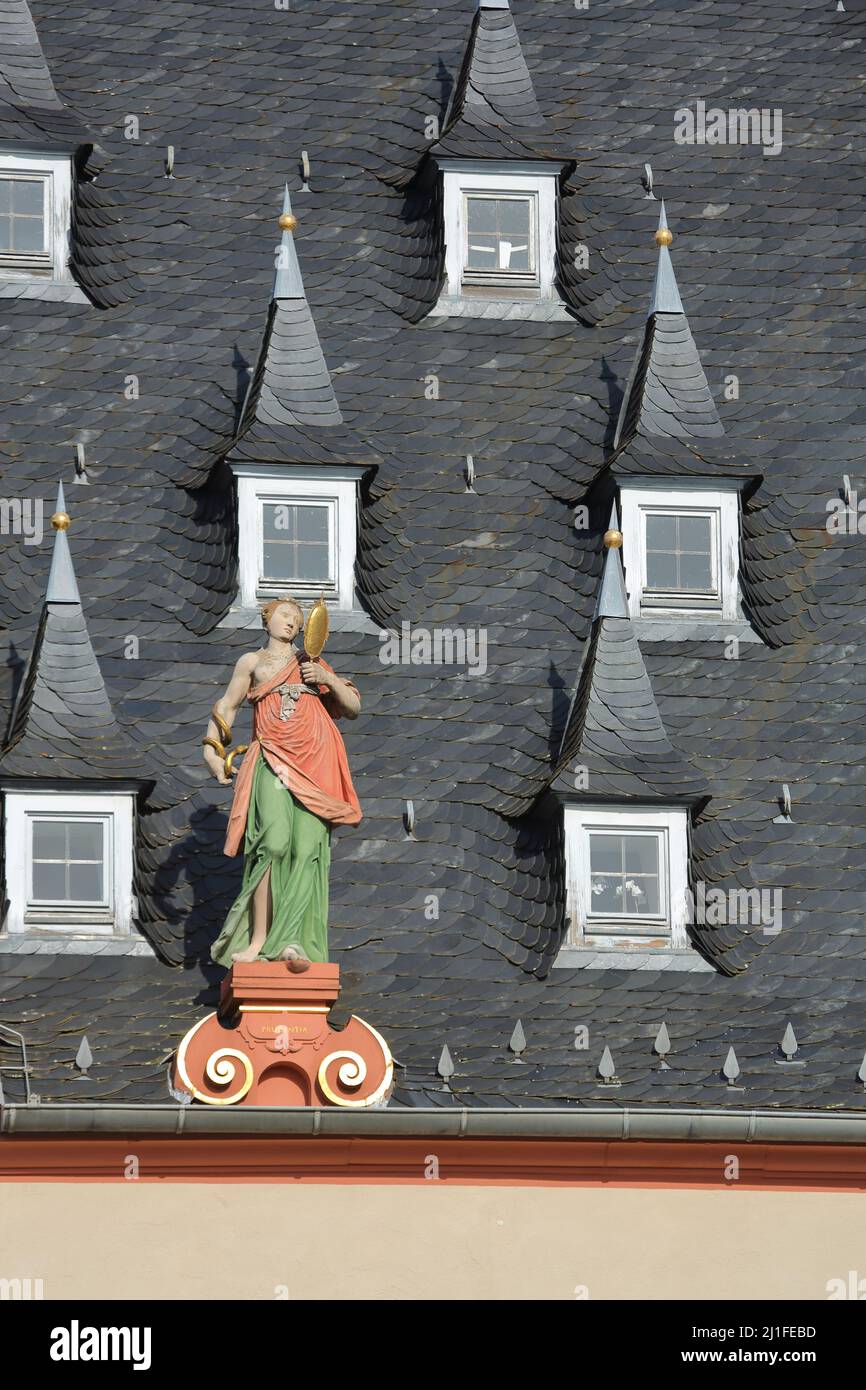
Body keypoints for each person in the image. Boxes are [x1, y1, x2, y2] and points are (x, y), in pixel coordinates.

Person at [202, 598, 361, 969]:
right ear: (267, 618)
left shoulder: (312, 665)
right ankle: (258, 939)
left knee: (307, 851)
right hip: (272, 758)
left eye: (297, 620)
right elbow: (227, 706)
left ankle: (291, 941)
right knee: (272, 844)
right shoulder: (252, 663)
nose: (291, 623)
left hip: (316, 764)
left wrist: (328, 679)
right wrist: (212, 751)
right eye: (284, 615)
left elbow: (352, 707)